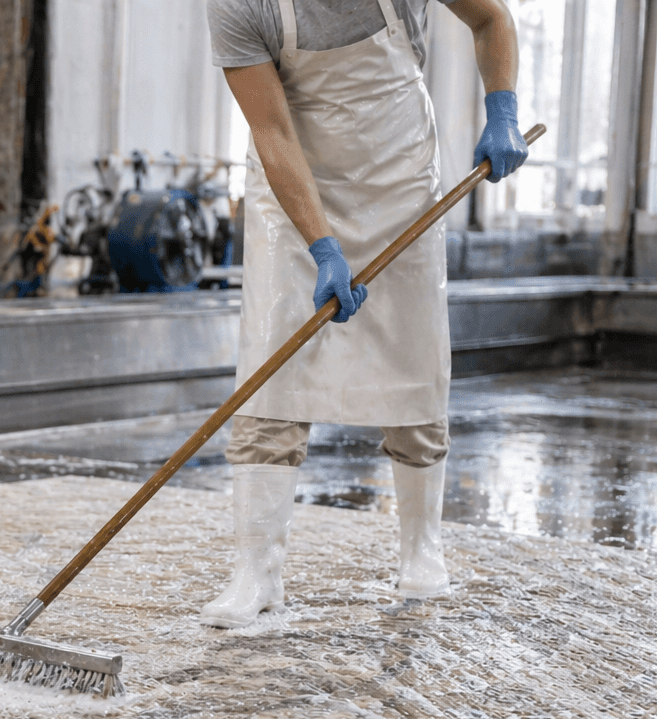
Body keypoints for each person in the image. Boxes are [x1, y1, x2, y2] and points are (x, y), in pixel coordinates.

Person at [200, 0, 527, 627]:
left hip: (399, 182)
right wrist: (321, 245)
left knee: (414, 362)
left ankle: (421, 551)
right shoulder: (239, 5)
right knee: (272, 374)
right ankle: (256, 574)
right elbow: (273, 132)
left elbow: (492, 19)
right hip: (293, 190)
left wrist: (503, 108)